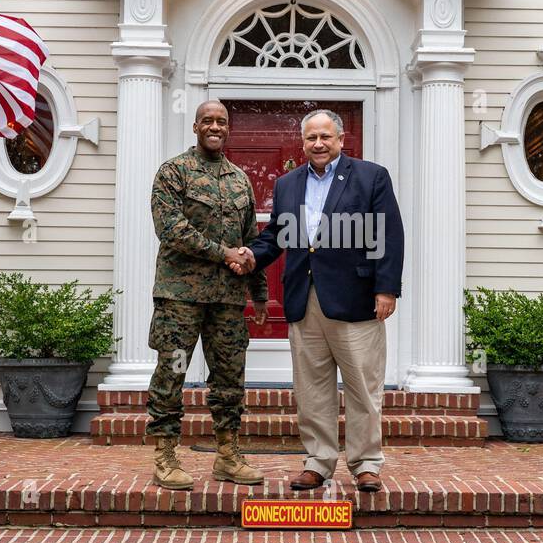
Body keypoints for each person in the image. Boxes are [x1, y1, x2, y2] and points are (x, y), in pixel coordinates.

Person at [230, 108, 403, 492]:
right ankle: (318, 461)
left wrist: (386, 288)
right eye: (311, 138)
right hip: (303, 299)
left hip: (356, 299)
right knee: (311, 388)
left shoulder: (371, 176)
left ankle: (365, 464)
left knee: (362, 386)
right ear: (303, 142)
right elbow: (278, 233)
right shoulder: (288, 183)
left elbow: (388, 234)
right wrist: (253, 256)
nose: (319, 144)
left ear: (340, 139)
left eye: (326, 137)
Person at [146, 100, 267, 490]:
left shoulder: (238, 180)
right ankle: (165, 455)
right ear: (196, 126)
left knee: (230, 378)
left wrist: (259, 291)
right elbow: (171, 229)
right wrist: (222, 253)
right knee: (173, 373)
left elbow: (250, 241)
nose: (215, 127)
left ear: (228, 129)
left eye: (222, 122)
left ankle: (228, 456)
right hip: (180, 298)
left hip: (228, 301)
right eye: (208, 121)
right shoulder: (173, 173)